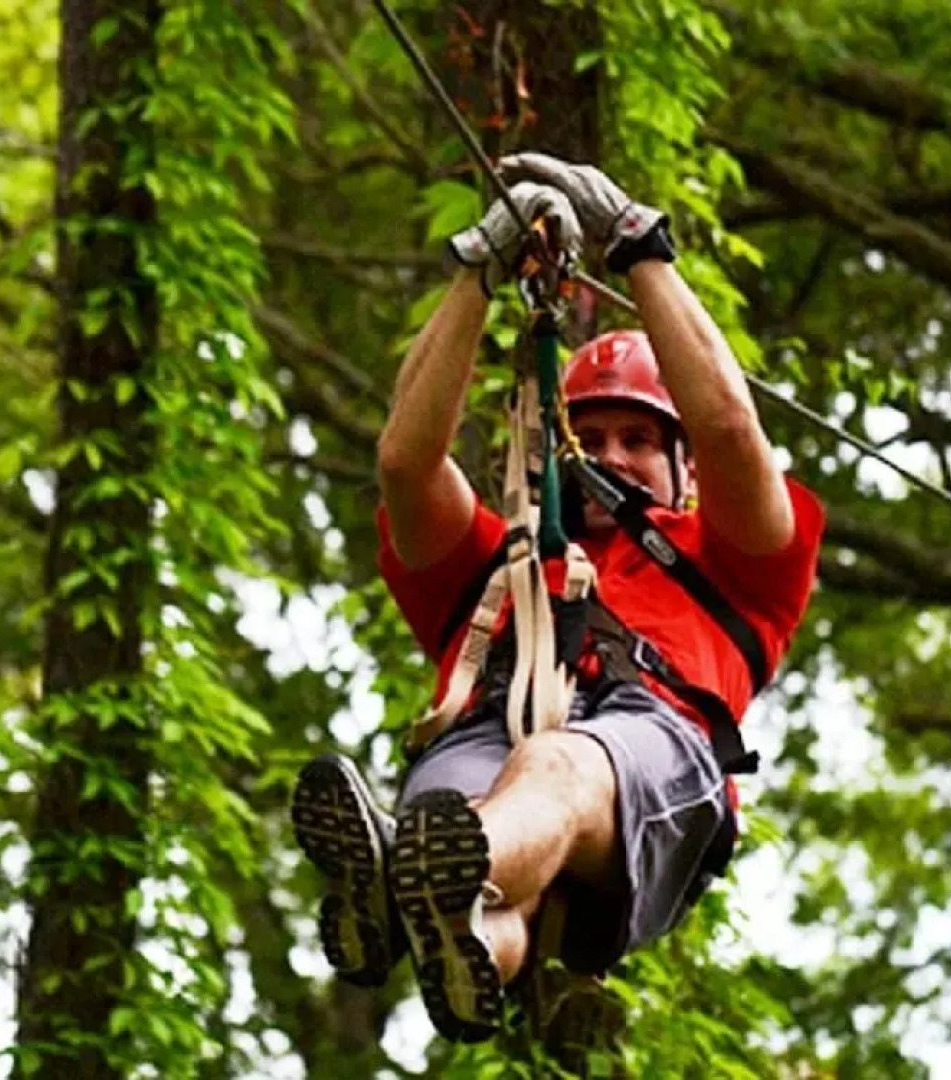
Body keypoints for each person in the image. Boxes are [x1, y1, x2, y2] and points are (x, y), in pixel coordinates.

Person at [290, 154, 824, 1044]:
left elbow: (732, 427)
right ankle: (447, 917)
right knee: (472, 894)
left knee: (549, 770)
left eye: (640, 440)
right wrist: (476, 275)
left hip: (647, 748)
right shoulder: (495, 564)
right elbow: (404, 464)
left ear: (682, 470)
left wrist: (640, 250)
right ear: (556, 450)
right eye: (594, 436)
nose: (612, 456)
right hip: (486, 736)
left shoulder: (736, 561)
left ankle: (395, 881)